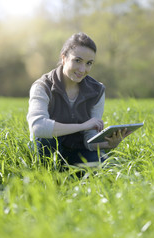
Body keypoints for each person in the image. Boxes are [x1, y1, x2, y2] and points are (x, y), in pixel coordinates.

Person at [27, 32, 128, 168]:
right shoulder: (42, 86)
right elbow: (38, 128)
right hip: (49, 150)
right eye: (77, 60)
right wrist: (83, 126)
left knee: (105, 167)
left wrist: (109, 144)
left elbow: (89, 138)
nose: (82, 69)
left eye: (89, 63)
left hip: (79, 149)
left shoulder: (97, 91)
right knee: (46, 142)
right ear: (64, 58)